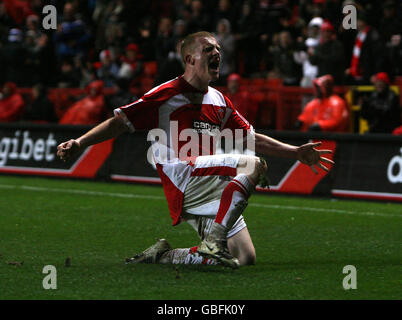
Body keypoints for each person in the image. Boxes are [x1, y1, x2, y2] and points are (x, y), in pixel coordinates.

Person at [57, 32, 333, 269]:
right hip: (183, 177)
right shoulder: (165, 94)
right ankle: (212, 242)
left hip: (210, 181)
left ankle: (164, 256)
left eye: (218, 49)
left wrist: (296, 152)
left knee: (244, 257)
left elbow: (251, 139)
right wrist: (80, 142)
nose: (217, 53)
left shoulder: (219, 100)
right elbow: (119, 123)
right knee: (252, 165)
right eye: (208, 49)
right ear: (190, 59)